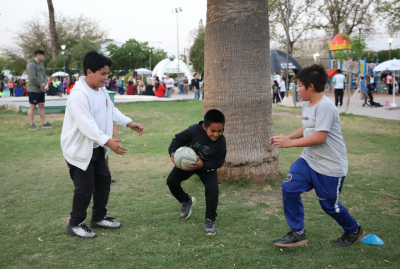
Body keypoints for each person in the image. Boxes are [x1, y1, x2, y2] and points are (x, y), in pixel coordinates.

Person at [269, 64, 365, 248]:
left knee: (329, 205)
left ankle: (353, 230)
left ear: (310, 86)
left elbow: (320, 137)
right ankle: (298, 233)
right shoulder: (307, 104)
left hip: (330, 166)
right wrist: (286, 137)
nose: (297, 89)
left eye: (299, 85)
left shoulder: (326, 107)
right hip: (308, 161)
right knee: (289, 188)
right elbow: (307, 128)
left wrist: (290, 144)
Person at [60, 51, 145, 238]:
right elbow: (86, 126)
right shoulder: (78, 95)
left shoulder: (102, 90)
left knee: (104, 181)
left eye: (107, 74)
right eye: (103, 74)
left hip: (97, 147)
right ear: (89, 72)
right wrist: (109, 141)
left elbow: (111, 110)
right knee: (85, 188)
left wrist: (129, 123)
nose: (107, 78)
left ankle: (98, 217)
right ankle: (75, 224)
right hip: (79, 148)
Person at [167, 109, 226, 235]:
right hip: (188, 164)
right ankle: (186, 200)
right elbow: (177, 140)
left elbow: (219, 162)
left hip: (206, 167)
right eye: (213, 131)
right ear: (204, 127)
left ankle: (210, 220)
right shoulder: (194, 130)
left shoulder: (221, 142)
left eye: (219, 131)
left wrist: (203, 165)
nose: (216, 134)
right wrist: (172, 153)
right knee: (171, 181)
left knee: (212, 190)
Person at [26, 49, 54, 130]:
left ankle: (45, 123)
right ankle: (31, 125)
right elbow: (32, 77)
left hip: (41, 89)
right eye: (43, 55)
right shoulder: (31, 64)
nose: (44, 57)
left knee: (41, 105)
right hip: (33, 89)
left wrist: (44, 83)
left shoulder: (41, 65)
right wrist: (40, 84)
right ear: (38, 55)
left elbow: (45, 75)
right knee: (32, 106)